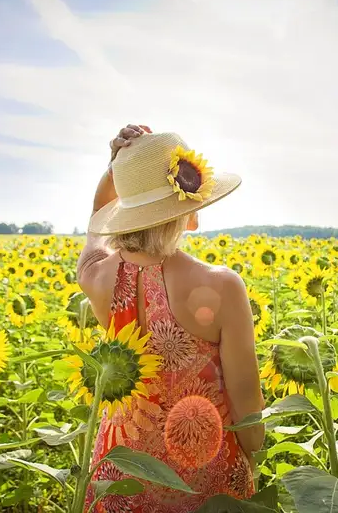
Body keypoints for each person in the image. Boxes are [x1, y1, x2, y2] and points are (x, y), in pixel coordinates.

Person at [77, 124, 265, 512]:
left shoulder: (97, 277)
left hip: (121, 476)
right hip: (205, 475)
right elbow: (245, 394)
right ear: (189, 214)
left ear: (123, 214)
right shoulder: (222, 286)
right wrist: (255, 463)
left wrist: (117, 171)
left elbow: (95, 229)